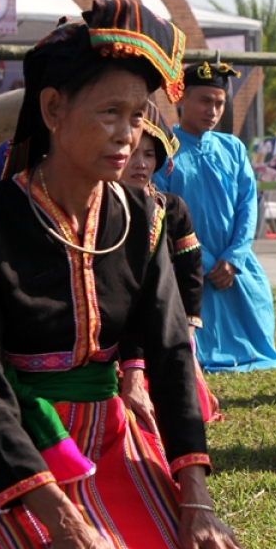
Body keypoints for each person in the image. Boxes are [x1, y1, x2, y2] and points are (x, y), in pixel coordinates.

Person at [0, 0, 259, 549]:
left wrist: (193, 497)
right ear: (54, 111)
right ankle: (19, 537)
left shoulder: (144, 223)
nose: (128, 134)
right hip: (19, 454)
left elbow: (171, 357)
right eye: (109, 114)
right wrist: (59, 517)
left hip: (114, 441)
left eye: (139, 116)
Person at [153, 61, 276, 372]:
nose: (212, 111)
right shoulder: (163, 151)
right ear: (180, 98)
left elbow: (247, 205)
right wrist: (201, 261)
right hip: (187, 266)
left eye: (219, 103)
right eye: (204, 101)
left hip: (234, 264)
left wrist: (233, 258)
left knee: (258, 315)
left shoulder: (234, 148)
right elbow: (161, 212)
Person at [120, 103, 221, 423]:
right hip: (113, 325)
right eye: (133, 152)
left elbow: (191, 267)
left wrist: (188, 322)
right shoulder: (96, 212)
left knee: (189, 409)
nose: (140, 163)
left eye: (149, 155)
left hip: (164, 320)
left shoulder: (172, 208)